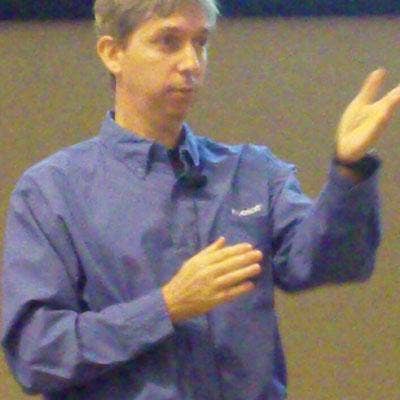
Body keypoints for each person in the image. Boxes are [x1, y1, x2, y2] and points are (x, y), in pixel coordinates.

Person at [2, 0, 400, 399]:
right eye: (168, 42)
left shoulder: (252, 173)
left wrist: (349, 167)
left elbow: (335, 262)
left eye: (201, 42)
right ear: (113, 53)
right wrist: (166, 307)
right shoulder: (52, 191)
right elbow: (37, 355)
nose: (191, 63)